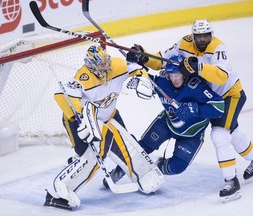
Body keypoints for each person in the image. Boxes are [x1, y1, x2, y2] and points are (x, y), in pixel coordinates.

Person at [125, 19, 253, 202]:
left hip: (228, 95)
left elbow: (221, 77)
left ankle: (231, 182)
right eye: (199, 36)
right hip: (205, 95)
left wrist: (198, 67)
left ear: (211, 35)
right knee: (232, 131)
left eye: (206, 36)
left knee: (220, 134)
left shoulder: (218, 49)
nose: (203, 39)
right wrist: (144, 56)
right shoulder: (184, 43)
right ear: (193, 36)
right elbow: (163, 60)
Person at [44, 45, 165, 210]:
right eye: (100, 65)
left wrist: (139, 76)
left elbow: (136, 69)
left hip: (109, 117)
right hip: (82, 120)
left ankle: (142, 174)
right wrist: (81, 118)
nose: (105, 67)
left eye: (105, 63)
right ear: (91, 66)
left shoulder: (116, 65)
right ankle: (56, 193)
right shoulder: (83, 77)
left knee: (124, 144)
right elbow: (60, 95)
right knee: (88, 157)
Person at [103, 55, 224, 188]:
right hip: (166, 124)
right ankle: (119, 171)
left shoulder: (196, 86)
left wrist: (194, 108)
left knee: (177, 167)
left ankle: (155, 169)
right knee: (141, 149)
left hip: (191, 135)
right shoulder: (162, 82)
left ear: (184, 73)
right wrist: (136, 64)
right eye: (171, 75)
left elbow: (219, 107)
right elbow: (145, 77)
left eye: (177, 75)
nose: (174, 79)